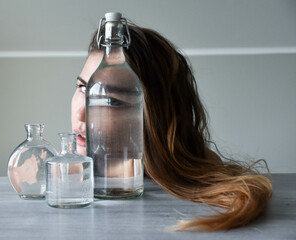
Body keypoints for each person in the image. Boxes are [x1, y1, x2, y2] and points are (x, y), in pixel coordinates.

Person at [71, 23, 272, 231]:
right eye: (82, 88)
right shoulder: (56, 173)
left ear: (153, 116)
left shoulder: (175, 191)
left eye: (110, 101)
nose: (80, 114)